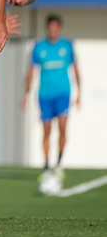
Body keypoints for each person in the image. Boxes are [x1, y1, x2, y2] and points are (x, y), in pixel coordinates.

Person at [22, 15, 79, 175]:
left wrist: (79, 92)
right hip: (45, 95)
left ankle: (59, 163)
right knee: (46, 130)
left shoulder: (67, 46)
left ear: (59, 28)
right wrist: (26, 95)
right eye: (50, 28)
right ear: (47, 28)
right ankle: (47, 166)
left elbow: (76, 69)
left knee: (62, 127)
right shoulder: (39, 47)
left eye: (55, 28)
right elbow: (31, 72)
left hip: (63, 94)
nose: (52, 31)